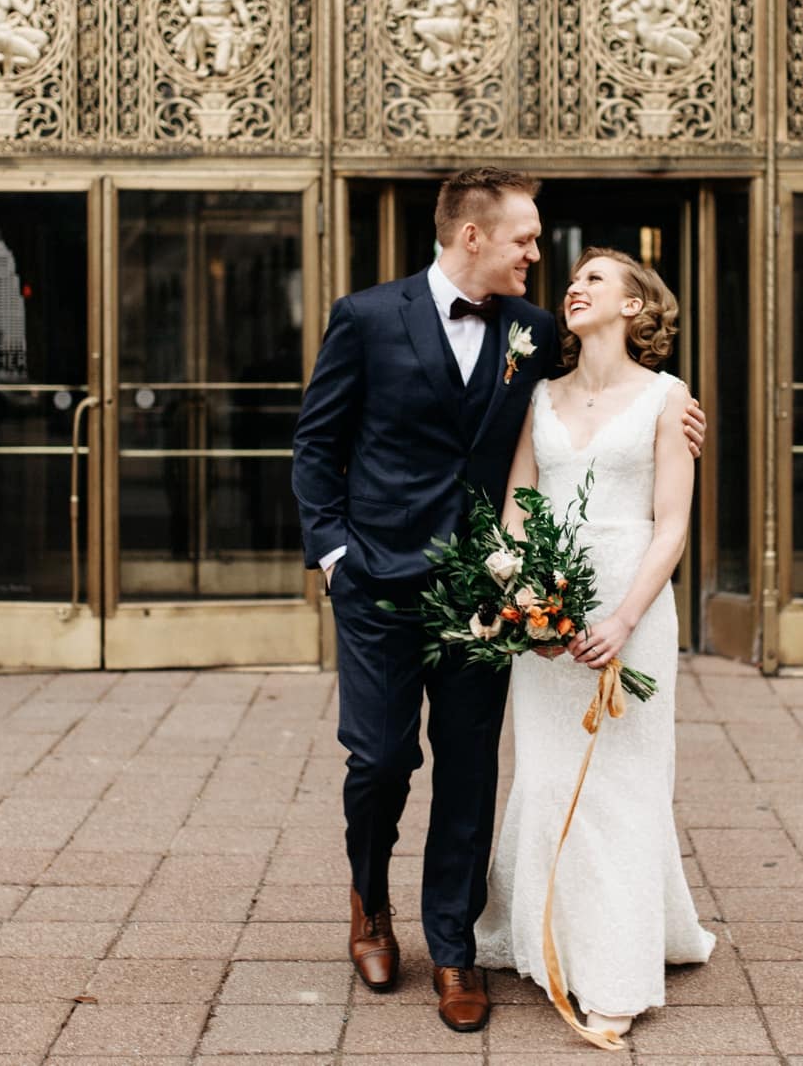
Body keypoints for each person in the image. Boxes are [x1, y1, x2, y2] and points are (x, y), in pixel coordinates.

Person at [291, 170, 706, 1033]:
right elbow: (316, 442)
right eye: (526, 237)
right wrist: (334, 555)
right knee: (378, 760)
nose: (539, 253)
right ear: (472, 236)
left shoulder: (535, 331)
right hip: (376, 584)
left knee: (471, 769)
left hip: (485, 592)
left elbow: (610, 383)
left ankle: (452, 948)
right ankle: (370, 902)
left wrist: (681, 413)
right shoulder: (366, 317)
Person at [473, 248, 715, 1042]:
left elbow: (673, 523)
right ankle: (548, 932)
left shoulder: (668, 399)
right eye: (571, 278)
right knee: (545, 772)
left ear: (637, 307)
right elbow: (518, 504)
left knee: (624, 779)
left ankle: (615, 965)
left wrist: (622, 619)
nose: (574, 286)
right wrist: (520, 603)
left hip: (632, 602)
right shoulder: (539, 395)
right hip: (549, 609)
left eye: (595, 279)